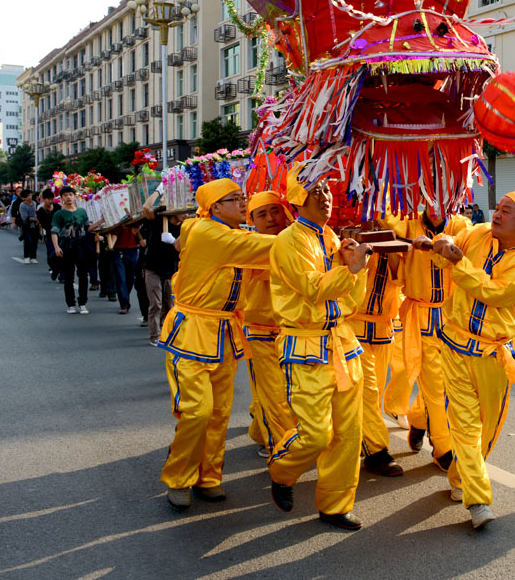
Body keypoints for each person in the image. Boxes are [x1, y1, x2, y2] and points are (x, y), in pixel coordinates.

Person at [425, 191, 515, 529]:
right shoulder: (478, 233)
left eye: (506, 211)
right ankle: (478, 500)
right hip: (454, 345)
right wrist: (441, 244)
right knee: (465, 425)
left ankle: (460, 477)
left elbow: (494, 292)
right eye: (498, 208)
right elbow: (446, 253)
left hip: (493, 354)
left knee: (488, 429)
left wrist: (457, 261)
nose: (497, 214)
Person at [157, 178, 277, 511]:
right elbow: (267, 248)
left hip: (224, 332)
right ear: (215, 207)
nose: (243, 203)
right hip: (193, 331)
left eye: (243, 197)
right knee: (197, 411)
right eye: (235, 198)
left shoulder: (229, 234)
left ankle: (208, 478)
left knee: (220, 412)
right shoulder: (210, 233)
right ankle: (179, 478)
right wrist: (308, 235)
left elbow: (266, 262)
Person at [266, 172, 371, 531]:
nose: (325, 196)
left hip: (342, 342)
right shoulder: (288, 240)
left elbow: (351, 301)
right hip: (305, 344)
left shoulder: (332, 239)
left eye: (327, 189)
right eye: (315, 190)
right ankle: (282, 471)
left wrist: (357, 270)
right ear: (298, 198)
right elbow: (312, 288)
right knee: (315, 434)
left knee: (348, 434)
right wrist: (351, 268)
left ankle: (336, 505)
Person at [385, 208, 472, 469]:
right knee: (436, 385)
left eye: (442, 193)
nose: (435, 201)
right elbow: (383, 214)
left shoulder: (462, 226)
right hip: (420, 316)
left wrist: (443, 243)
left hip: (452, 317)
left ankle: (419, 419)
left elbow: (469, 251)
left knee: (448, 383)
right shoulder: (408, 224)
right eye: (429, 192)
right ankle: (443, 447)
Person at [239, 192, 294, 458]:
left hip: (295, 330)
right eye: (262, 214)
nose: (271, 219)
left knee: (293, 391)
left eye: (275, 211)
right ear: (252, 220)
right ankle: (279, 447)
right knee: (270, 392)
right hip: (260, 329)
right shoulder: (245, 244)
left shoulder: (300, 238)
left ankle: (263, 432)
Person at [350, 241, 404, 477]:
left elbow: (401, 280)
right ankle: (376, 451)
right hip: (353, 324)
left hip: (384, 326)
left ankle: (358, 438)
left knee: (375, 392)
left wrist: (391, 248)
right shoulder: (349, 235)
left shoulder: (398, 236)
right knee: (368, 392)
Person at [141, 206, 182, 346]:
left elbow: (180, 247)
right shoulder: (160, 221)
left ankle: (165, 330)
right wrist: (158, 193)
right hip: (152, 269)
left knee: (169, 304)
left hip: (170, 270)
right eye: (183, 212)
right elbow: (146, 208)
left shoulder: (185, 227)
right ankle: (155, 335)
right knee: (156, 304)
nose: (186, 215)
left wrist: (173, 240)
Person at [51, 185, 94, 315]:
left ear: (75, 196)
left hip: (82, 247)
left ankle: (83, 303)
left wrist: (101, 222)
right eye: (65, 195)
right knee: (69, 277)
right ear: (62, 198)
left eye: (70, 195)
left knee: (83, 276)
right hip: (67, 247)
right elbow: (54, 231)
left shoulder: (82, 212)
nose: (68, 197)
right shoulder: (59, 214)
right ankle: (70, 304)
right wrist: (56, 247)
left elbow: (87, 228)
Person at [111, 224, 141, 316]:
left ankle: (125, 295)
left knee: (130, 279)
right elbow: (113, 232)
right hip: (118, 250)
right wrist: (110, 246)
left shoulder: (136, 220)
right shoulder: (117, 222)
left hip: (133, 250)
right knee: (121, 278)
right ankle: (124, 304)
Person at [36, 189, 61, 279]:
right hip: (49, 234)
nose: (51, 201)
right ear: (44, 199)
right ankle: (54, 268)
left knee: (61, 252)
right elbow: (44, 224)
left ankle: (61, 272)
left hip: (60, 233)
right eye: (48, 199)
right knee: (51, 252)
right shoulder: (40, 211)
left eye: (52, 199)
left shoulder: (57, 207)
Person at [18, 189, 40, 263]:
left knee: (35, 241)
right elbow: (24, 217)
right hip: (26, 225)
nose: (30, 197)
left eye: (30, 195)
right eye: (28, 196)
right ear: (24, 197)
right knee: (28, 241)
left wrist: (38, 220)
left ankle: (33, 257)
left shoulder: (35, 203)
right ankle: (26, 256)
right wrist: (35, 219)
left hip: (35, 225)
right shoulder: (22, 205)